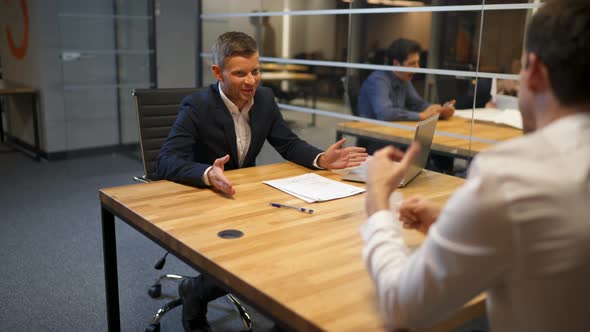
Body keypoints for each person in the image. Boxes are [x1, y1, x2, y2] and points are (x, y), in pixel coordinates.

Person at [361, 1, 590, 331]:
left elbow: (402, 305)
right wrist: (457, 222)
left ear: (535, 72)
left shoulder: (512, 175)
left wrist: (378, 200)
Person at [155, 31, 367, 332]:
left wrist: (321, 159)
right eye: (240, 73)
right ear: (218, 72)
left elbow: (288, 143)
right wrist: (206, 173)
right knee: (259, 254)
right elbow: (165, 161)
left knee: (290, 243)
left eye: (255, 71)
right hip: (204, 198)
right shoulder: (197, 106)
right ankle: (196, 293)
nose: (251, 81)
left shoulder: (264, 99)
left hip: (243, 196)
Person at [357, 38, 455, 121]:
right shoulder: (378, 80)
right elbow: (385, 113)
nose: (417, 68)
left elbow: (417, 104)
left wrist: (439, 111)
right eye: (412, 63)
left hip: (394, 131)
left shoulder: (403, 77)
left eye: (417, 62)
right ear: (396, 64)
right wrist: (421, 116)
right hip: (375, 137)